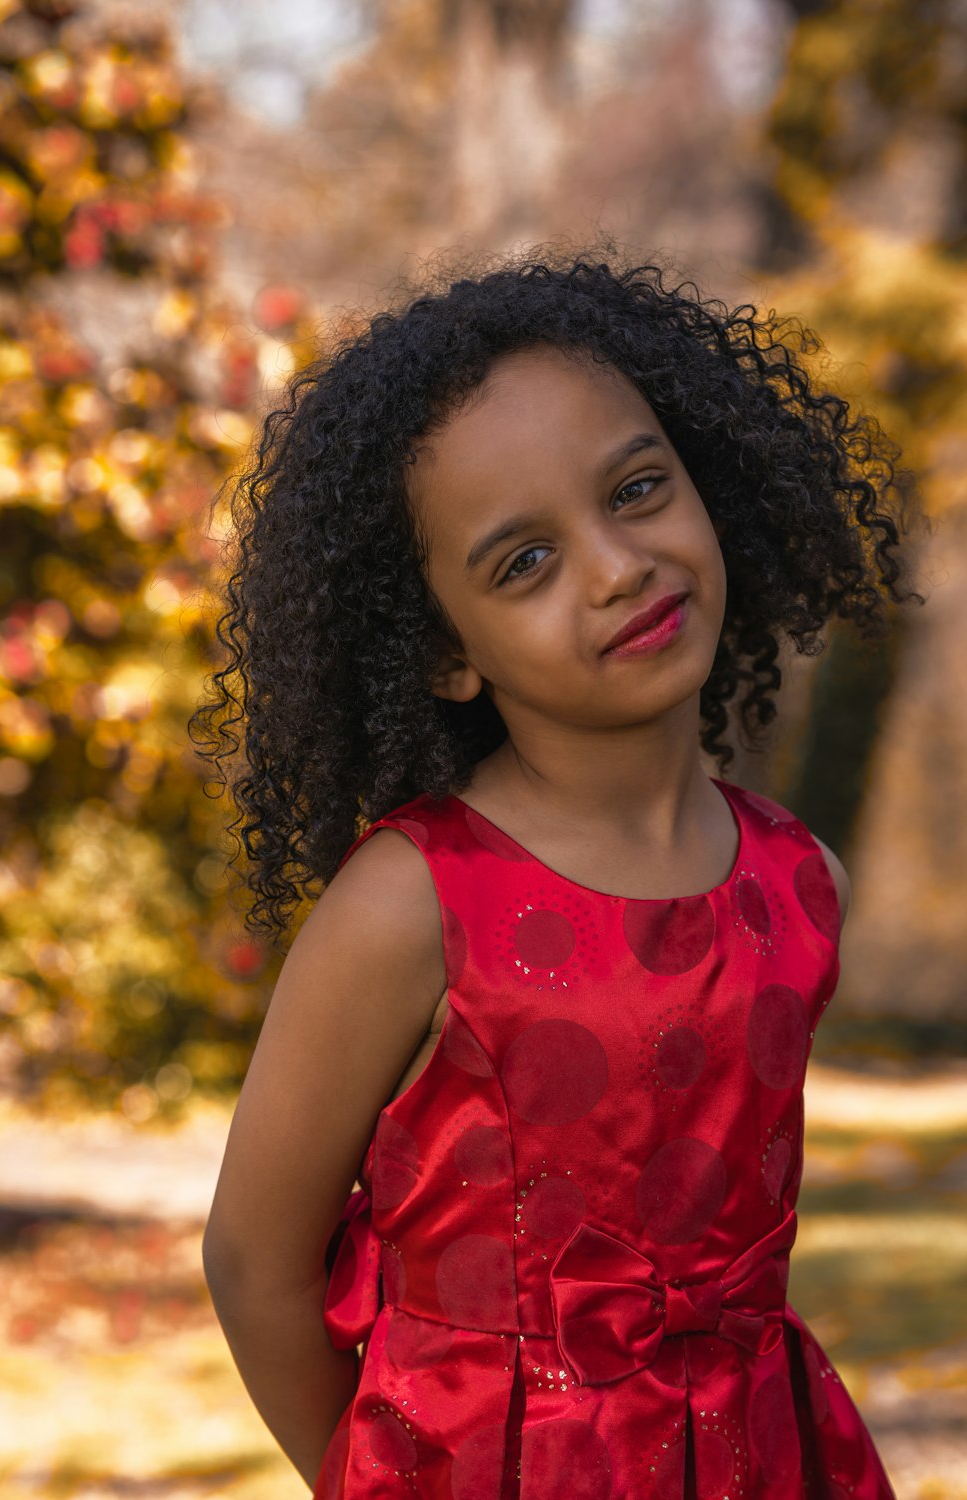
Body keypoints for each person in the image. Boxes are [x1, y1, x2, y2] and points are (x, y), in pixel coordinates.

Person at [194, 252, 922, 1497]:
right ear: (441, 654)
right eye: (522, 563)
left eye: (638, 491)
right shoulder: (412, 903)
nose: (617, 565)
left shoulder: (800, 885)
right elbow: (255, 1257)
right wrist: (378, 1475)